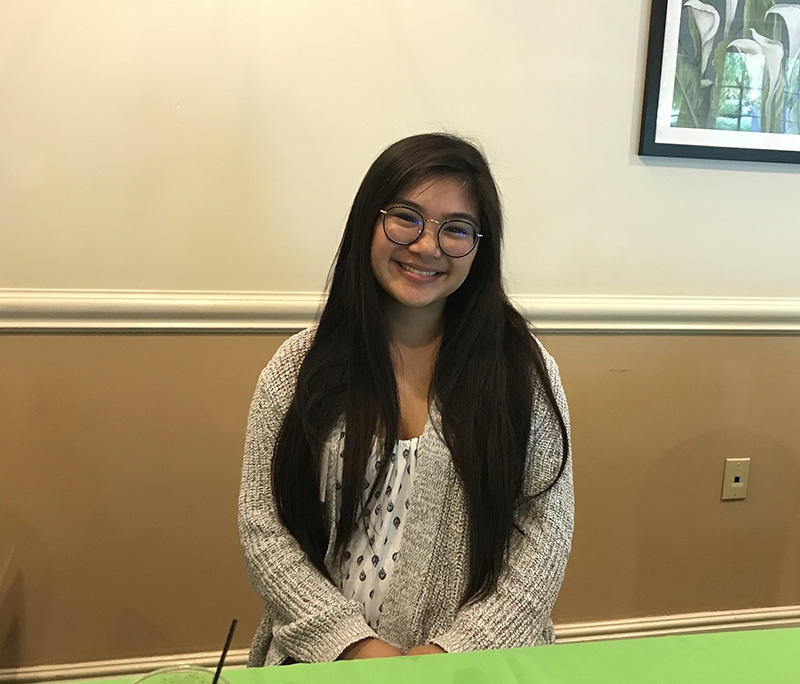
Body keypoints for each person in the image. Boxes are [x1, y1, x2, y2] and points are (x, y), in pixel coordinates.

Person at [238, 132, 573, 666]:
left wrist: (451, 654)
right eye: (406, 218)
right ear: (368, 223)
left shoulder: (521, 373)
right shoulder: (298, 367)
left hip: (476, 666)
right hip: (321, 663)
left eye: (455, 229)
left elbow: (544, 535)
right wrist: (354, 647)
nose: (426, 246)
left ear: (480, 248)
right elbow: (264, 526)